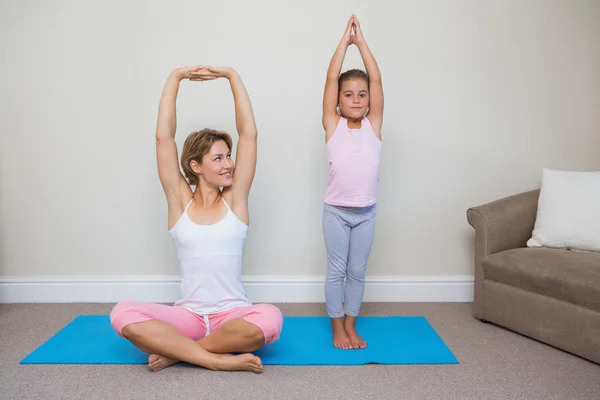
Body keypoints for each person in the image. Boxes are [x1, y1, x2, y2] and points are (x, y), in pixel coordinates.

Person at [109, 65, 283, 373]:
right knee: (121, 313)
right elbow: (164, 138)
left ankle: (179, 353)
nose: (229, 164)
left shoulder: (235, 200)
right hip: (187, 316)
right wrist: (175, 77)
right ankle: (217, 359)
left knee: (270, 319)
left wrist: (232, 76)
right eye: (218, 158)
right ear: (195, 166)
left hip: (231, 314)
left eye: (229, 155)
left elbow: (249, 134)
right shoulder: (179, 201)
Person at [321, 15, 384, 350]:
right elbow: (332, 77)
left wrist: (363, 43)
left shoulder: (374, 125)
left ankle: (350, 324)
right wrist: (345, 42)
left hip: (366, 213)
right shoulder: (333, 126)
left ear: (370, 100)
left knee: (357, 272)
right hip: (336, 211)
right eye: (349, 95)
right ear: (338, 101)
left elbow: (376, 76)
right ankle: (336, 327)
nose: (357, 99)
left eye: (362, 94)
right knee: (336, 272)